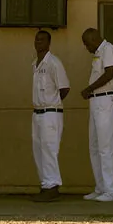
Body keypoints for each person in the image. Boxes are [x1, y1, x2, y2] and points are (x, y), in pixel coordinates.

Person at [80, 28, 113, 202]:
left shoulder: (107, 49)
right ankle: (100, 187)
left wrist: (89, 88)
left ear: (94, 39)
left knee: (105, 147)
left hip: (104, 101)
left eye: (87, 43)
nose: (86, 48)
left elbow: (109, 73)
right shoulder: (98, 52)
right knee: (94, 146)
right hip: (96, 102)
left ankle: (111, 190)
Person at [31, 30, 70, 202]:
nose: (38, 42)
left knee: (49, 150)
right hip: (37, 113)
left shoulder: (54, 63)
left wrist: (52, 102)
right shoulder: (35, 64)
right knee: (38, 150)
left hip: (50, 113)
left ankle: (52, 186)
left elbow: (64, 88)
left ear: (49, 43)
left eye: (42, 40)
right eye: (36, 39)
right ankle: (45, 184)